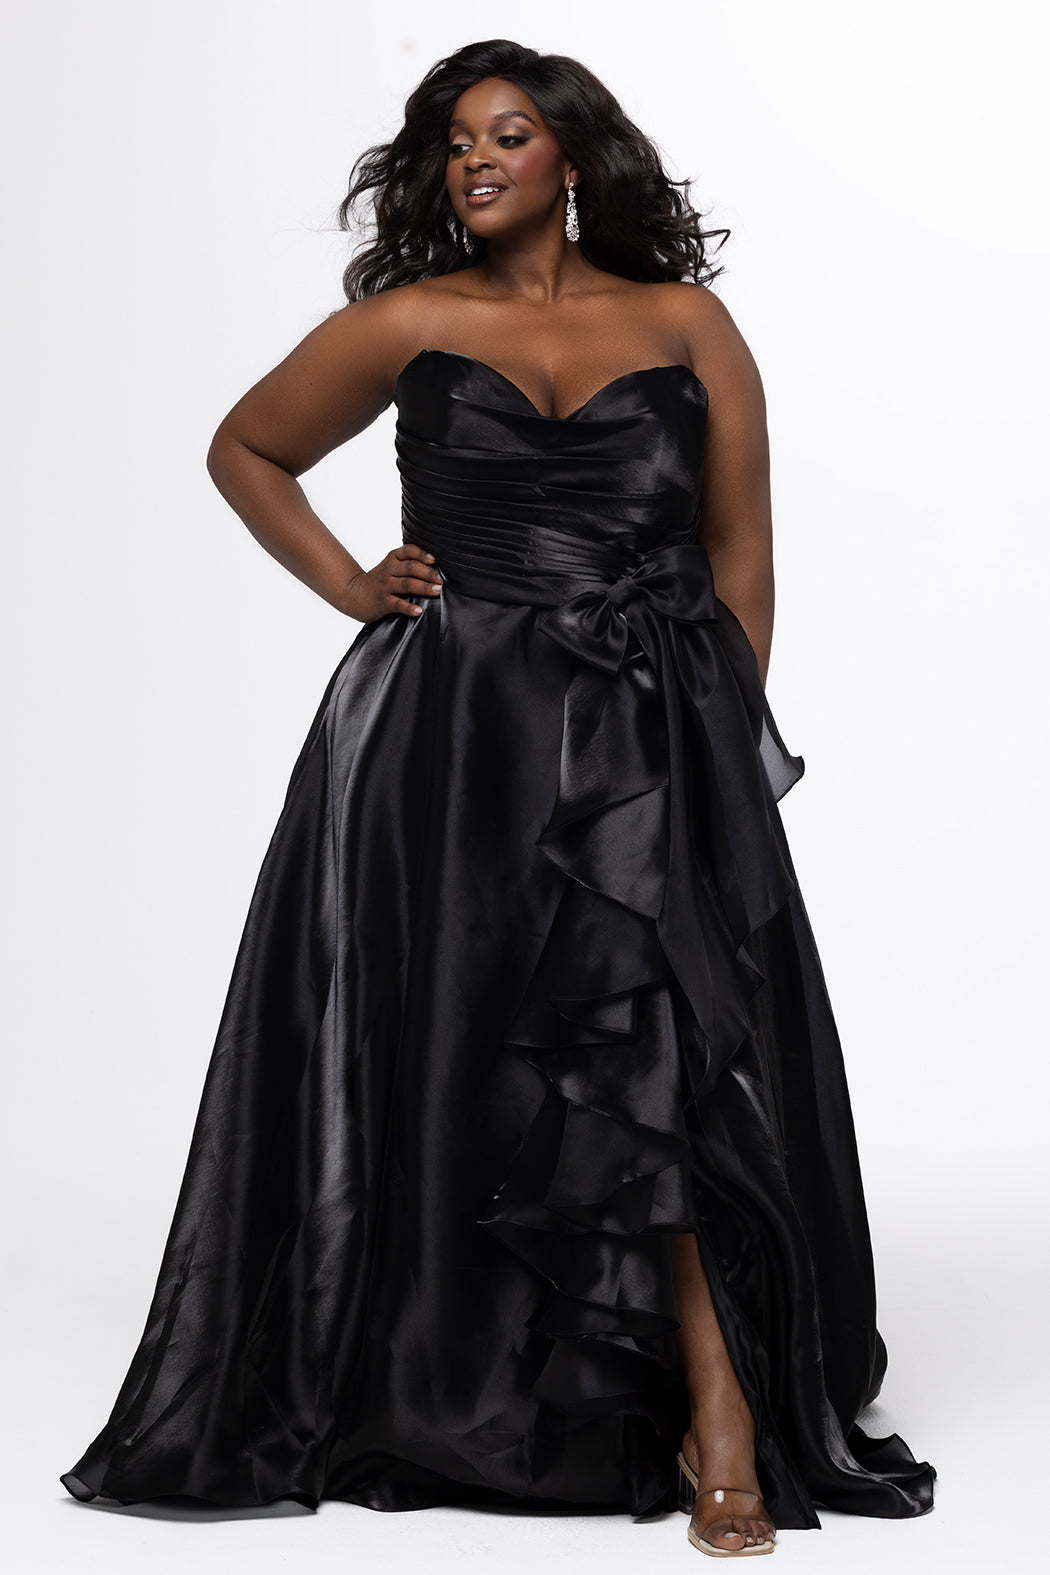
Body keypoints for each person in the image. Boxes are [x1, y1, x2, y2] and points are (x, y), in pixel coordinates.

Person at [58, 38, 935, 1558]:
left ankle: (721, 1410)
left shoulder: (684, 321)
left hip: (648, 728)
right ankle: (473, 1372)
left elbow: (740, 549)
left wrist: (721, 745)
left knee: (668, 1048)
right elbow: (247, 447)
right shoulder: (409, 322)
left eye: (508, 133)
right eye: (455, 140)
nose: (475, 159)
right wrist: (351, 582)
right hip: (451, 740)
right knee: (478, 1040)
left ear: (572, 156)